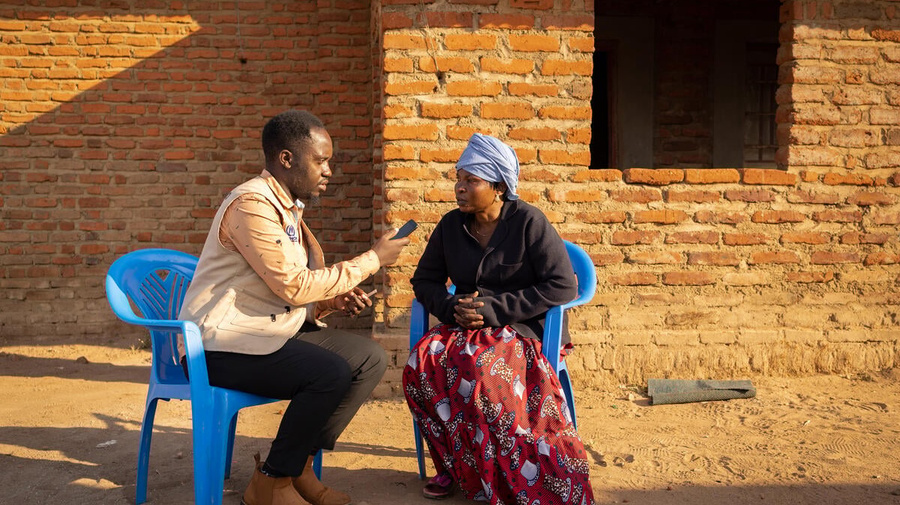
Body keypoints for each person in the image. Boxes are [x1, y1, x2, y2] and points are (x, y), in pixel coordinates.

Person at [178, 109, 409, 505]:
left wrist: (329, 302)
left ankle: (297, 464)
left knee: (368, 359)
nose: (328, 171)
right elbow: (293, 285)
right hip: (217, 346)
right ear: (286, 159)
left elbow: (280, 291)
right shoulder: (251, 205)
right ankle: (271, 482)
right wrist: (374, 259)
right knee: (329, 373)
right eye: (320, 161)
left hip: (262, 333)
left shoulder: (287, 207)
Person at [403, 133, 595, 505]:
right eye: (458, 179)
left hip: (521, 328)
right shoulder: (450, 226)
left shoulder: (528, 222)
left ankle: (504, 474)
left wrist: (494, 310)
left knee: (484, 372)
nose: (459, 188)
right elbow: (424, 280)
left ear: (499, 187)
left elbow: (562, 286)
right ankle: (455, 466)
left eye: (471, 180)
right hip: (465, 327)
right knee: (419, 366)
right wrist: (450, 307)